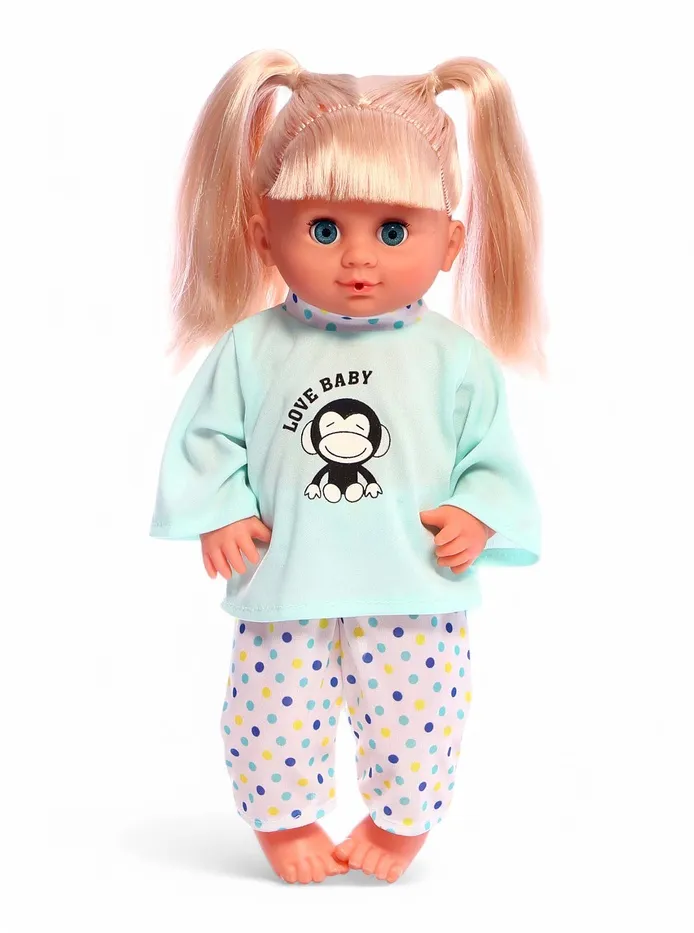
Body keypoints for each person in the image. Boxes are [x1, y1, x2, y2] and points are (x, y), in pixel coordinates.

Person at [150, 49, 544, 884]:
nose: (358, 260)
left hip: (414, 588)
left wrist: (478, 511)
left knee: (420, 722)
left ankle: (401, 825)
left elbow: (492, 457)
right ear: (263, 231)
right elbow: (209, 437)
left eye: (393, 231)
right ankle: (284, 820)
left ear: (450, 242)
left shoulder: (455, 360)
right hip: (286, 583)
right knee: (269, 718)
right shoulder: (253, 348)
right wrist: (221, 509)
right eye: (324, 229)